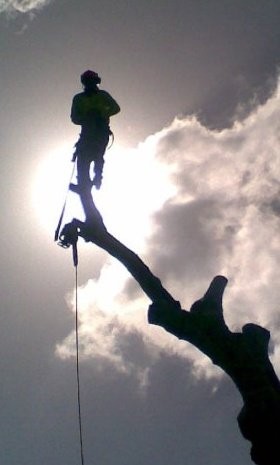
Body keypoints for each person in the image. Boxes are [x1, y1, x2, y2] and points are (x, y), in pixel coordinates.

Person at [71, 70, 120, 190]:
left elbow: (115, 108)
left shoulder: (102, 95)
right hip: (86, 133)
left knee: (97, 154)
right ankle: (83, 183)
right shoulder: (78, 98)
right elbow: (74, 118)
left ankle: (97, 179)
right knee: (82, 158)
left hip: (100, 131)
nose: (90, 84)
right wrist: (86, 118)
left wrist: (102, 114)